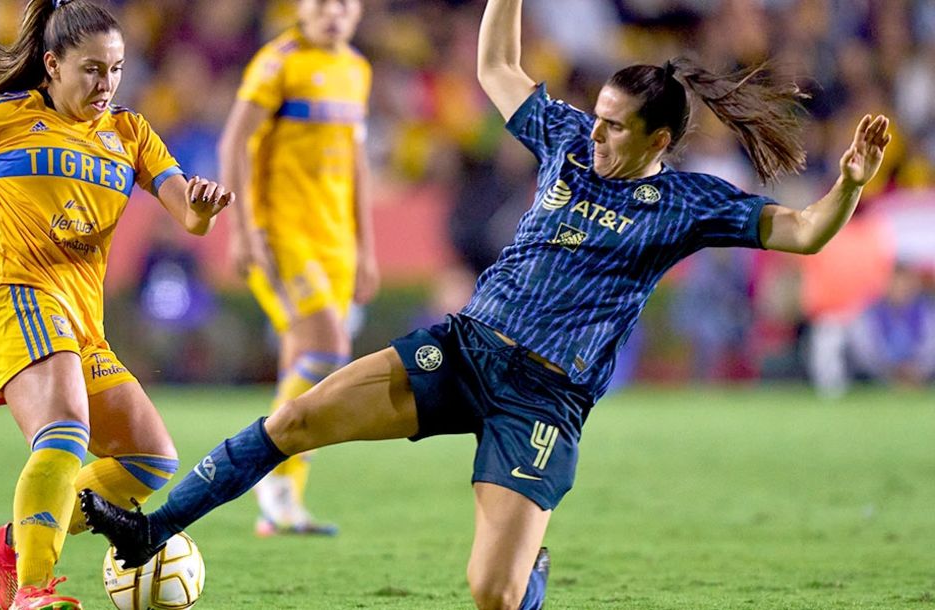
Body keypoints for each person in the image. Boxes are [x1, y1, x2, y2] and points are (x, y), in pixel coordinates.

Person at [81, 0, 892, 608]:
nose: (595, 135)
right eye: (597, 118)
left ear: (658, 142)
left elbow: (806, 231)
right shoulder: (566, 140)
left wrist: (850, 182)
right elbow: (497, 69)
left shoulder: (689, 203)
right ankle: (152, 527)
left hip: (544, 399)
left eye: (614, 129)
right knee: (296, 419)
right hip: (464, 349)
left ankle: (529, 562)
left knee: (492, 596)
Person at [0, 0, 232, 608]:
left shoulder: (130, 134)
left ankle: (11, 542)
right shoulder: (4, 116)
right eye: (92, 69)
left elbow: (188, 218)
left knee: (149, 459)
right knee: (64, 430)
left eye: (116, 69)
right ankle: (33, 592)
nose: (106, 84)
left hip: (78, 320)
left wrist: (204, 204)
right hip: (10, 296)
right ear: (53, 64)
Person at [218, 0, 377, 536]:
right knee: (328, 351)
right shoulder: (277, 62)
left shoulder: (356, 70)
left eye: (344, 3)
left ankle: (282, 501)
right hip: (283, 234)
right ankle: (269, 472)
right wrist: (242, 228)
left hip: (336, 242)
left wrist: (367, 249)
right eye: (320, 2)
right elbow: (234, 140)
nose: (333, 12)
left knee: (304, 368)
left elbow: (356, 165)